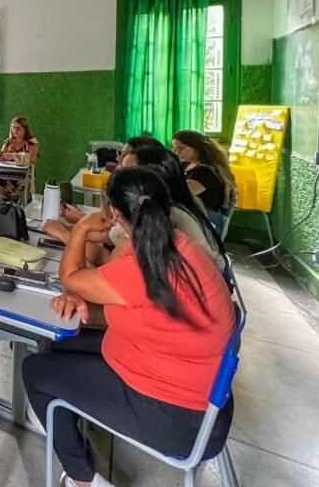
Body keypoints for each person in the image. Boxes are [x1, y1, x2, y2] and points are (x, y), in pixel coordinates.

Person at [23, 168, 235, 487]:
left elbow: (71, 278)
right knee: (62, 343)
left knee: (35, 371)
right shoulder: (176, 245)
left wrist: (81, 229)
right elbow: (137, 308)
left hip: (178, 419)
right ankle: (73, 414)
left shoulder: (145, 264)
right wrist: (83, 302)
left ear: (114, 213)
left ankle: (82, 479)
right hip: (199, 398)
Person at [46, 146, 227, 270]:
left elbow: (111, 265)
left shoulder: (165, 216)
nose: (116, 171)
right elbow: (109, 236)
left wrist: (67, 234)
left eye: (125, 170)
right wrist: (76, 228)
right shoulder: (170, 204)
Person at [172, 130, 237, 234]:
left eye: (181, 148)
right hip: (199, 218)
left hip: (208, 222)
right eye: (175, 149)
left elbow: (181, 193)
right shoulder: (187, 165)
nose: (177, 153)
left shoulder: (205, 172)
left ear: (196, 147)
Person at [0, 116, 40, 204]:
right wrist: (1, 157)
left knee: (0, 181)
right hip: (6, 173)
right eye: (13, 127)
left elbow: (32, 160)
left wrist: (13, 156)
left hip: (23, 175)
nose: (15, 130)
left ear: (25, 129)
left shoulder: (32, 143)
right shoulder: (8, 142)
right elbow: (1, 156)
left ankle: (3, 206)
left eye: (18, 128)